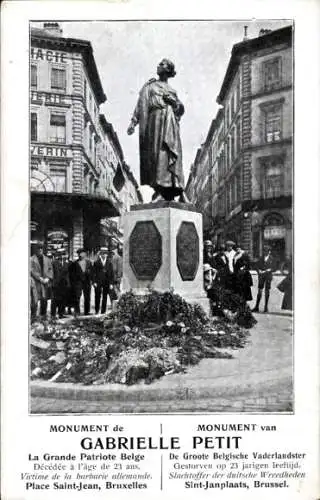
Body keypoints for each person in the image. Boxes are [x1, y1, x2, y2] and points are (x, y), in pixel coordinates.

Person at [127, 58, 188, 203]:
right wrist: (133, 122)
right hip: (154, 122)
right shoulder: (150, 86)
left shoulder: (172, 90)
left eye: (162, 64)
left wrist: (174, 103)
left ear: (168, 70)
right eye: (159, 64)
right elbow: (141, 105)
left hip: (169, 122)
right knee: (156, 155)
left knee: (169, 154)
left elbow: (180, 109)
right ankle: (159, 190)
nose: (158, 66)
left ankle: (172, 190)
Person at [30, 242, 53, 319]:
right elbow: (31, 270)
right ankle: (33, 318)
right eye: (38, 248)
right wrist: (39, 278)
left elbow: (50, 270)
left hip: (45, 283)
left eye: (41, 248)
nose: (40, 250)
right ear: (35, 249)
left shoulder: (47, 259)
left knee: (44, 300)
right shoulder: (31, 259)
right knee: (34, 301)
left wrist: (48, 278)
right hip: (35, 283)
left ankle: (43, 316)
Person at [252, 245, 275, 313]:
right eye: (264, 251)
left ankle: (266, 307)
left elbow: (274, 267)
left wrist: (268, 270)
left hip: (268, 276)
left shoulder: (272, 258)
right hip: (261, 276)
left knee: (267, 291)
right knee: (259, 291)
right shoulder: (261, 258)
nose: (265, 252)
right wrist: (258, 270)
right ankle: (257, 306)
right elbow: (256, 265)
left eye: (267, 251)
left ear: (269, 252)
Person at [69, 248, 92, 316]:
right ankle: (77, 311)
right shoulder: (75, 263)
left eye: (81, 253)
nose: (80, 255)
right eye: (79, 253)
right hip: (78, 283)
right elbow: (72, 274)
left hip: (87, 283)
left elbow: (92, 272)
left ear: (84, 254)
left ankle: (87, 312)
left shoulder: (89, 262)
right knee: (77, 297)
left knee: (87, 297)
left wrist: (91, 280)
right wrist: (74, 283)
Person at [92, 247, 115, 314]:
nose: (104, 255)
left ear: (107, 254)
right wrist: (94, 282)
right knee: (97, 296)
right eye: (102, 253)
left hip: (106, 282)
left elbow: (111, 274)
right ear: (100, 254)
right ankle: (96, 310)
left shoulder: (109, 263)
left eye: (105, 254)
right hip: (98, 281)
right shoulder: (96, 262)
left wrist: (111, 283)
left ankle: (103, 311)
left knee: (105, 296)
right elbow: (94, 273)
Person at [50, 249, 70, 319]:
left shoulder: (65, 263)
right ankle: (53, 315)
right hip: (56, 284)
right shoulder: (53, 262)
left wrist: (68, 283)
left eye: (63, 254)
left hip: (63, 284)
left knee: (63, 299)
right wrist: (52, 283)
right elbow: (51, 273)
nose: (62, 255)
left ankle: (61, 313)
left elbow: (67, 274)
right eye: (60, 254)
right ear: (57, 255)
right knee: (54, 300)